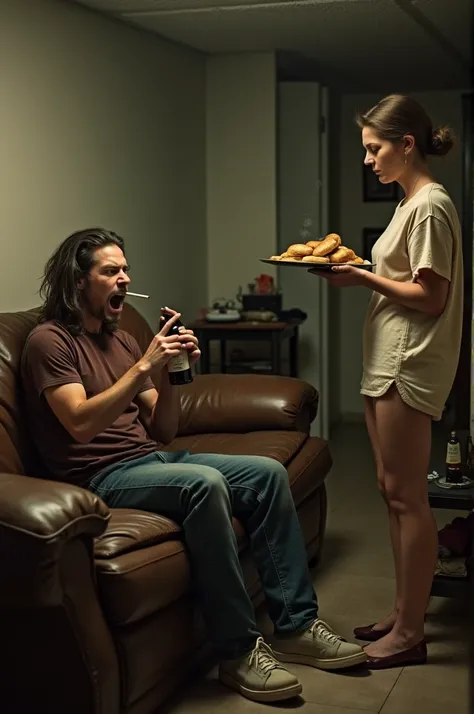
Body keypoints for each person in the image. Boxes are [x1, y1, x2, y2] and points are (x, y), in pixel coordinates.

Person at [21, 228, 366, 705]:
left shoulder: (118, 342)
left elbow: (163, 431)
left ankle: (297, 625)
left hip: (148, 458)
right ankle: (238, 651)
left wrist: (169, 374)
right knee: (203, 484)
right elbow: (79, 423)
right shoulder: (49, 341)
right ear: (79, 281)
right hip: (96, 476)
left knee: (266, 475)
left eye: (125, 270)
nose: (124, 278)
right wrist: (144, 367)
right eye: (110, 271)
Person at [313, 95, 463, 669]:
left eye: (375, 149)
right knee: (391, 491)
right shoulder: (408, 204)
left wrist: (362, 280)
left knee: (408, 497)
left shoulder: (430, 206)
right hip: (385, 360)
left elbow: (432, 296)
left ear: (407, 144)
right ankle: (404, 614)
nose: (369, 160)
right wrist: (365, 276)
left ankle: (411, 633)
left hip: (409, 360)